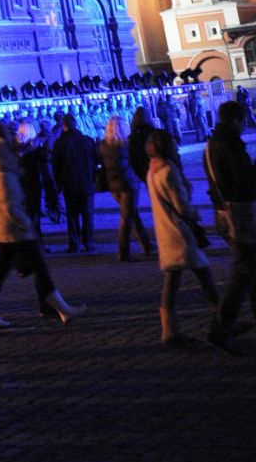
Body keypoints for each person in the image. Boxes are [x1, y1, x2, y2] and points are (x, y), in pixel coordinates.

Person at [0, 123, 86, 328]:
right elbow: (9, 206)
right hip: (16, 231)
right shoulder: (3, 174)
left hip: (5, 230)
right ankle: (61, 309)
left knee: (1, 271)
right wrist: (25, 226)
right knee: (39, 268)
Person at [145, 128, 226, 349]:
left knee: (174, 281)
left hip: (166, 232)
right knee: (204, 276)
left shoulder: (152, 171)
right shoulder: (169, 171)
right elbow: (182, 205)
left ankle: (170, 330)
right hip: (180, 233)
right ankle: (222, 323)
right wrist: (196, 215)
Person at [204, 101, 256, 338]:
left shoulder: (213, 142)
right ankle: (220, 327)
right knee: (243, 271)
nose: (244, 126)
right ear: (236, 120)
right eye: (243, 121)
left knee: (250, 268)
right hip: (238, 212)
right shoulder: (230, 144)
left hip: (225, 210)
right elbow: (244, 179)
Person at [99, 116, 154, 261]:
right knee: (127, 217)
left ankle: (147, 244)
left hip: (113, 185)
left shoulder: (104, 145)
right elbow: (136, 162)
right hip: (128, 184)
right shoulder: (126, 145)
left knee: (132, 214)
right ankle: (123, 251)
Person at [51, 114, 98, 253]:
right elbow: (97, 160)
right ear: (76, 124)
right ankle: (89, 243)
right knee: (87, 214)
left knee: (72, 215)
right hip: (87, 182)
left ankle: (74, 243)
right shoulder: (88, 141)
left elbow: (56, 166)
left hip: (69, 183)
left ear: (64, 125)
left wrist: (58, 185)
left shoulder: (59, 143)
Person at [128, 106, 155, 183]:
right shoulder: (154, 134)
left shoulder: (133, 137)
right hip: (156, 169)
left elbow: (132, 159)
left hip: (143, 172)